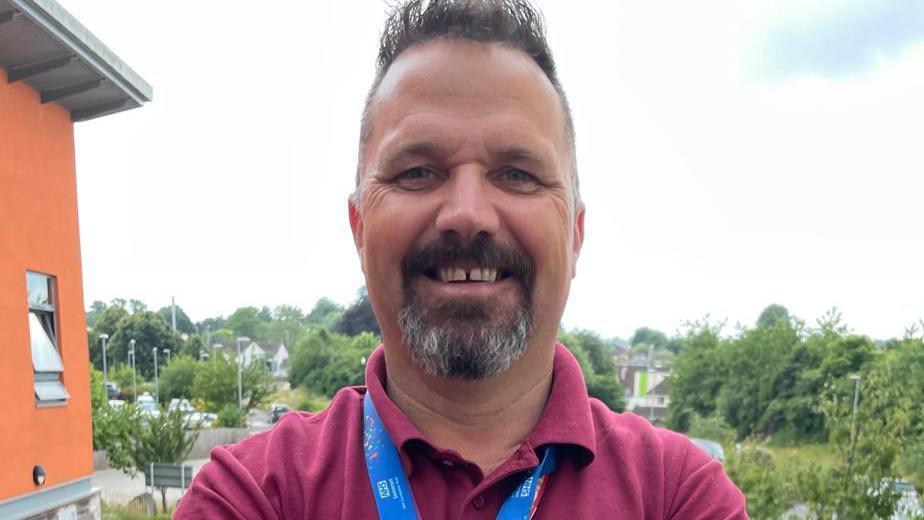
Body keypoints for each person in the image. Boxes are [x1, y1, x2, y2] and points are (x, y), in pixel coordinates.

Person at [175, 1, 748, 518]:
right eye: (418, 171)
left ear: (574, 235)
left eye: (517, 174)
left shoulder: (679, 495)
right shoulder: (252, 495)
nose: (468, 213)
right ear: (359, 227)